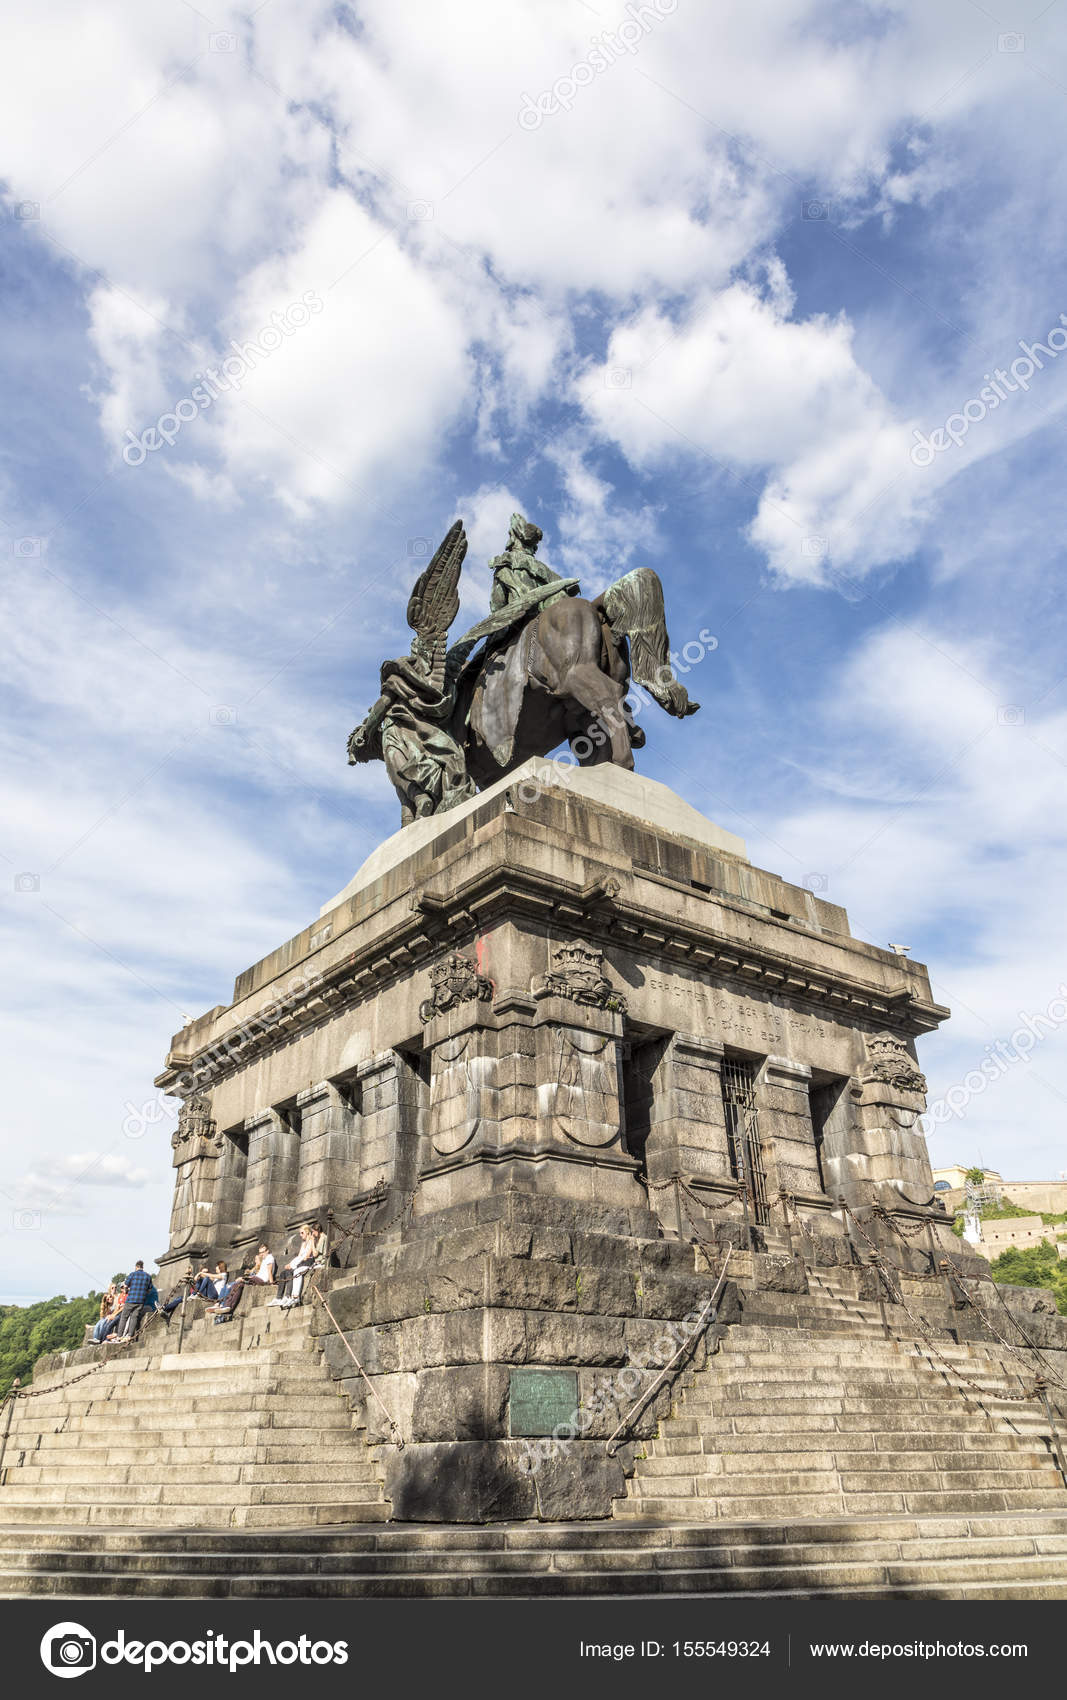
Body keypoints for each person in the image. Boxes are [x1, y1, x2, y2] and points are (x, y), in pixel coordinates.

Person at [268, 1224, 325, 1309]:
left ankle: (293, 1296)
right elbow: (299, 1256)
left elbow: (306, 1256)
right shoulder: (303, 1244)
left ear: (307, 1233)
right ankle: (279, 1298)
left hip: (307, 1262)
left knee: (294, 1272)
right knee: (283, 1273)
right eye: (300, 1233)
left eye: (302, 1233)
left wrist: (293, 1265)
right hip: (300, 1262)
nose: (300, 1235)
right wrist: (291, 1263)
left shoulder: (311, 1242)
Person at [114, 1260, 153, 1339]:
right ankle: (130, 1335)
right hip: (141, 1301)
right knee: (134, 1317)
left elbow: (125, 1285)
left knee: (124, 1316)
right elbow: (150, 1289)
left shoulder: (132, 1274)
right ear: (142, 1267)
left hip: (131, 1299)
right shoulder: (148, 1276)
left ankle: (119, 1335)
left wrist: (128, 1289)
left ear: (136, 1267)